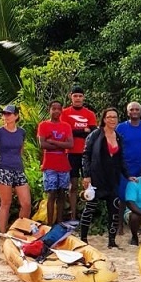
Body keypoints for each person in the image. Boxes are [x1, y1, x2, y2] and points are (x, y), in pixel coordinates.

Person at [80, 107, 132, 248]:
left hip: (112, 179)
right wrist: (86, 176)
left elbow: (121, 159)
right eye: (109, 117)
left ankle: (111, 241)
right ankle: (83, 239)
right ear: (104, 119)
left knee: (114, 210)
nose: (112, 120)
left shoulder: (118, 137)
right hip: (97, 177)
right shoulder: (95, 135)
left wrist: (128, 175)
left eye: (114, 117)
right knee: (90, 208)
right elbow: (86, 155)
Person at [0, 104, 30, 233]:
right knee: (6, 203)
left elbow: (20, 150)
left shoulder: (22, 132)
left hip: (18, 170)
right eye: (4, 114)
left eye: (9, 114)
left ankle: (19, 231)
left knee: (26, 203)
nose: (6, 116)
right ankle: (3, 234)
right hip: (4, 170)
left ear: (16, 116)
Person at [115, 101, 141, 234]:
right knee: (123, 196)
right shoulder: (120, 128)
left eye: (137, 109)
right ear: (127, 112)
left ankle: (139, 224)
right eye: (132, 109)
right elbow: (115, 147)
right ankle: (120, 225)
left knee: (140, 195)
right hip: (125, 166)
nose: (134, 111)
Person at [61, 86, 97, 220]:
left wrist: (75, 132)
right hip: (71, 153)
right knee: (73, 185)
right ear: (71, 96)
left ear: (83, 97)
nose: (78, 98)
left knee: (89, 184)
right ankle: (73, 215)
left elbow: (93, 132)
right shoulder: (64, 113)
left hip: (87, 153)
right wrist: (83, 131)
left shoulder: (90, 114)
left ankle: (88, 215)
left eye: (80, 96)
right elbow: (66, 132)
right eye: (75, 96)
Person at [37, 100, 73, 225]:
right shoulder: (43, 125)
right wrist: (61, 145)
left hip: (63, 164)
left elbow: (70, 144)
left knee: (62, 193)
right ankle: (50, 223)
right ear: (49, 110)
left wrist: (53, 142)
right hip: (49, 164)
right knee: (51, 193)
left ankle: (60, 222)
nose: (56, 111)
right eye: (54, 108)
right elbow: (43, 144)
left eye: (59, 108)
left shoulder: (66, 126)